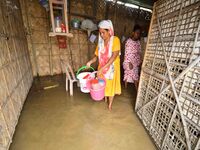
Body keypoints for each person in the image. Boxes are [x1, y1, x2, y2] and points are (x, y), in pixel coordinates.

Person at [86, 20, 121, 110]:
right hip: (102, 68)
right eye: (100, 32)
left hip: (111, 68)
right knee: (102, 84)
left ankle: (110, 105)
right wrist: (90, 62)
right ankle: (105, 98)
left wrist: (103, 68)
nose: (101, 35)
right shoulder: (100, 43)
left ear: (109, 31)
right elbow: (96, 57)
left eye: (103, 32)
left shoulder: (115, 40)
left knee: (110, 86)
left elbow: (114, 57)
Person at [123, 25, 141, 90]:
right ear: (133, 33)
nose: (138, 35)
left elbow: (139, 53)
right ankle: (126, 87)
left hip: (135, 61)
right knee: (129, 72)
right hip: (128, 61)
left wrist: (139, 61)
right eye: (137, 33)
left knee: (135, 73)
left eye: (139, 33)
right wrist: (129, 62)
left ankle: (137, 90)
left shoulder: (138, 42)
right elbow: (126, 53)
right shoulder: (128, 41)